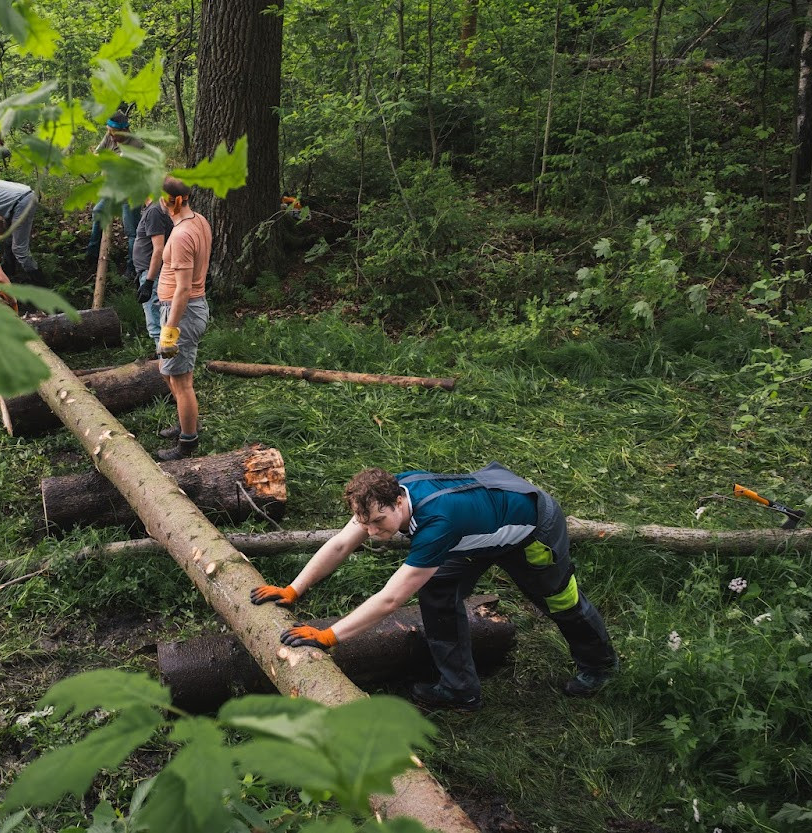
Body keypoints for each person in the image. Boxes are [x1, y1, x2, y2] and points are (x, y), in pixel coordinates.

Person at [250, 463, 619, 710]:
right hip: (474, 532)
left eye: (380, 522)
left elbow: (391, 598)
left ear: (398, 501)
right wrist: (294, 589)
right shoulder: (381, 495)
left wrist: (329, 636)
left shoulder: (436, 525)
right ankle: (460, 689)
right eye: (367, 525)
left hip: (531, 527)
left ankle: (599, 666)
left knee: (560, 600)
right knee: (438, 593)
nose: (374, 533)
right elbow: (341, 544)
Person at [154, 176, 211, 461]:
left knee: (182, 380)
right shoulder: (199, 220)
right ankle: (185, 421)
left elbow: (184, 289)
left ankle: (188, 442)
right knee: (171, 374)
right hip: (184, 311)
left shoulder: (181, 236)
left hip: (182, 315)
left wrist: (169, 331)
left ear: (173, 201)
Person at [84, 109, 145, 273]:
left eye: (113, 133)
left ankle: (132, 268)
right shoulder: (110, 137)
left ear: (124, 130)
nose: (110, 136)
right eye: (109, 132)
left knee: (132, 231)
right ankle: (92, 252)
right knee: (98, 211)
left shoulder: (136, 145)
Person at [132, 195, 174, 344]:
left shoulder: (154, 211)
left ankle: (167, 363)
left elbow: (158, 249)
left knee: (157, 326)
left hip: (155, 275)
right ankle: (167, 361)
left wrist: (149, 281)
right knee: (162, 322)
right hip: (153, 273)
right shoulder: (154, 209)